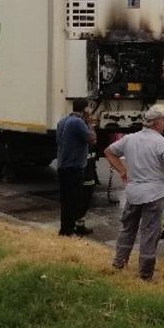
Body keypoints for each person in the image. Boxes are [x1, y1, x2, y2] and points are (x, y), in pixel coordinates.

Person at [104, 105, 164, 280]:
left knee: (128, 229)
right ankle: (145, 274)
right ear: (157, 122)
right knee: (149, 233)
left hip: (133, 192)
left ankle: (119, 263)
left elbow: (109, 152)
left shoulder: (130, 139)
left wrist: (122, 171)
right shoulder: (160, 142)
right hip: (154, 194)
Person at [55, 99, 96, 237]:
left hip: (62, 165)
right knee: (73, 200)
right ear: (85, 110)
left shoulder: (62, 121)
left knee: (66, 200)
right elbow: (92, 139)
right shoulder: (78, 123)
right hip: (74, 167)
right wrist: (90, 123)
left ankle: (64, 229)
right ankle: (68, 231)